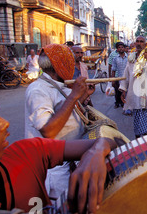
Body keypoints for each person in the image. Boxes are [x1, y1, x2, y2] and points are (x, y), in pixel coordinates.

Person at [0, 81, 117, 214]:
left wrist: (94, 154)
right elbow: (48, 130)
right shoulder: (38, 89)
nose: (4, 123)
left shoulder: (24, 153)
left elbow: (109, 140)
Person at [24, 44, 95, 201]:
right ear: (59, 65)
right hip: (53, 170)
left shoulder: (58, 85)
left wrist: (82, 97)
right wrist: (74, 96)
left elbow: (66, 113)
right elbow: (48, 131)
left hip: (67, 162)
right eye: (68, 61)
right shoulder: (39, 90)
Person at [119, 36, 147, 139]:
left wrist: (146, 60)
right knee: (137, 121)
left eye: (141, 42)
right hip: (136, 94)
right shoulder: (131, 57)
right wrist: (123, 89)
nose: (139, 43)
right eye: (137, 41)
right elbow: (126, 73)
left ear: (145, 45)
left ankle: (146, 141)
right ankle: (138, 142)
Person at [109, 42, 128, 109]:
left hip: (127, 78)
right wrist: (113, 80)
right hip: (118, 78)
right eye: (119, 47)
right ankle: (117, 103)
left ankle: (123, 103)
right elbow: (113, 69)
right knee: (117, 92)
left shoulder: (128, 58)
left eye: (122, 47)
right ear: (117, 49)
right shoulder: (115, 58)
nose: (121, 49)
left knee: (125, 91)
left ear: (124, 48)